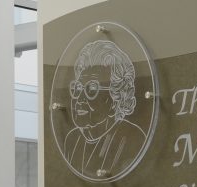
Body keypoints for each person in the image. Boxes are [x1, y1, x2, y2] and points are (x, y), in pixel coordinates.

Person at [62, 39, 147, 179]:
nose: (80, 99)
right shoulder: (72, 139)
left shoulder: (133, 138)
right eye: (77, 88)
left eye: (92, 88)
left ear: (117, 96)